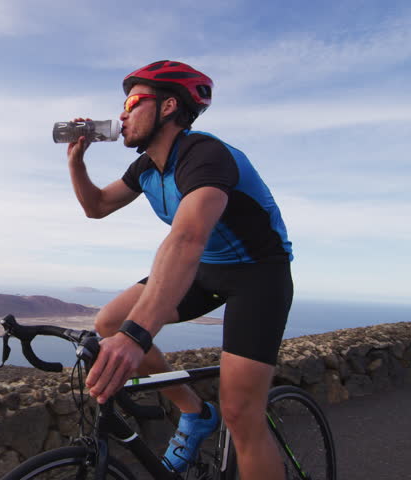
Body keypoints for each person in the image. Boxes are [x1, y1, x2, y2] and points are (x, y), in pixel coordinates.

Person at [66, 60, 293, 480]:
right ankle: (193, 411)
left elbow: (187, 238)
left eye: (133, 102)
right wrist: (76, 161)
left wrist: (138, 337)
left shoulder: (204, 155)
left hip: (257, 275)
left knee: (243, 415)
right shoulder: (146, 168)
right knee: (110, 320)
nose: (121, 114)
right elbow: (96, 207)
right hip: (207, 270)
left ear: (168, 106)